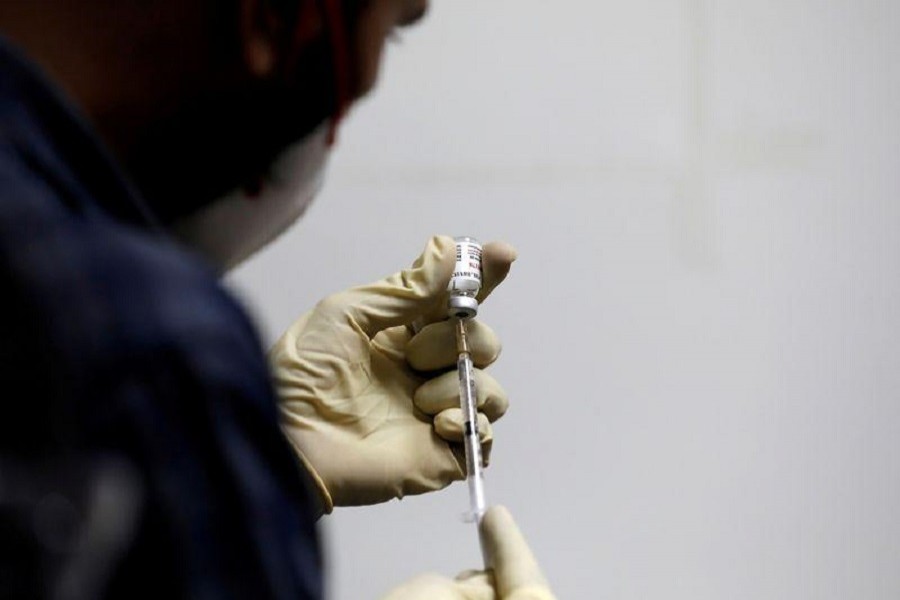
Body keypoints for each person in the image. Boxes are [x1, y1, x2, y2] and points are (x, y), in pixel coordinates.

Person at [0, 1, 556, 598]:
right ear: (271, 19)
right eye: (394, 30)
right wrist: (200, 435)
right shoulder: (144, 347)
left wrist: (261, 458)